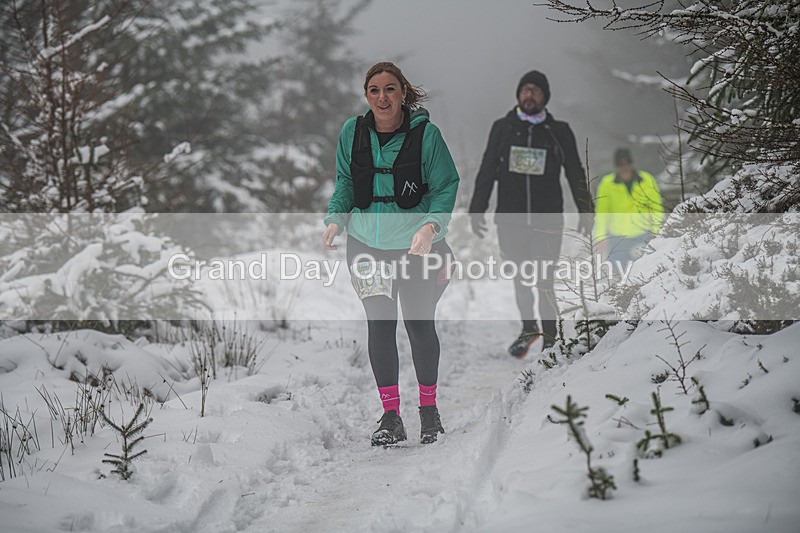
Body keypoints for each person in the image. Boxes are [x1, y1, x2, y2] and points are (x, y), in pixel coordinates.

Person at [322, 62, 459, 446]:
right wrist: (335, 219)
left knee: (418, 325)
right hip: (366, 247)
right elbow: (346, 183)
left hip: (416, 249)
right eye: (374, 90)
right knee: (380, 325)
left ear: (403, 93)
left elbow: (446, 187)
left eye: (390, 89)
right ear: (367, 95)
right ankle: (391, 416)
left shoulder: (426, 136)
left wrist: (430, 228)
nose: (382, 97)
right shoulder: (352, 133)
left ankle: (429, 413)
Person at [468, 70, 593, 359]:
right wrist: (477, 209)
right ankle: (528, 329)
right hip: (510, 220)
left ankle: (550, 339)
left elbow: (575, 171)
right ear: (518, 95)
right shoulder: (503, 128)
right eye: (525, 89)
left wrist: (586, 210)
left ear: (545, 97)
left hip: (547, 220)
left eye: (535, 90)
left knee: (544, 281)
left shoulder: (558, 131)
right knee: (522, 279)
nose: (529, 95)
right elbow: (487, 168)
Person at [593, 148, 663, 268]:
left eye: (626, 163)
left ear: (631, 163)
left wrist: (656, 232)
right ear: (616, 165)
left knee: (645, 269)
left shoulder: (647, 180)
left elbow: (656, 208)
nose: (624, 167)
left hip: (643, 234)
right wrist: (600, 236)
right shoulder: (607, 184)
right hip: (617, 237)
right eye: (620, 164)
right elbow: (602, 213)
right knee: (618, 271)